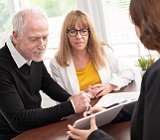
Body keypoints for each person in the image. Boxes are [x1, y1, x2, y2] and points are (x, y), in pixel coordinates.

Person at [67, 0, 160, 139]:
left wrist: (94, 137)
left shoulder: (156, 75)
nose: (79, 36)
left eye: (135, 23)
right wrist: (110, 112)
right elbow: (145, 105)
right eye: (73, 31)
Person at [0, 7, 91, 140]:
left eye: (45, 37)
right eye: (34, 39)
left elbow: (47, 83)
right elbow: (19, 120)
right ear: (16, 36)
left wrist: (70, 98)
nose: (42, 46)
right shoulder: (2, 66)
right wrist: (70, 106)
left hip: (36, 129)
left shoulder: (32, 53)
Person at [50, 10, 135, 99]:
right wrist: (84, 94)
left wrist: (109, 86)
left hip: (106, 105)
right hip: (81, 111)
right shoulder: (56, 63)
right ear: (66, 34)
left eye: (83, 31)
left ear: (89, 33)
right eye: (73, 31)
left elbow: (129, 71)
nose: (79, 36)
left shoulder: (103, 50)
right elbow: (61, 98)